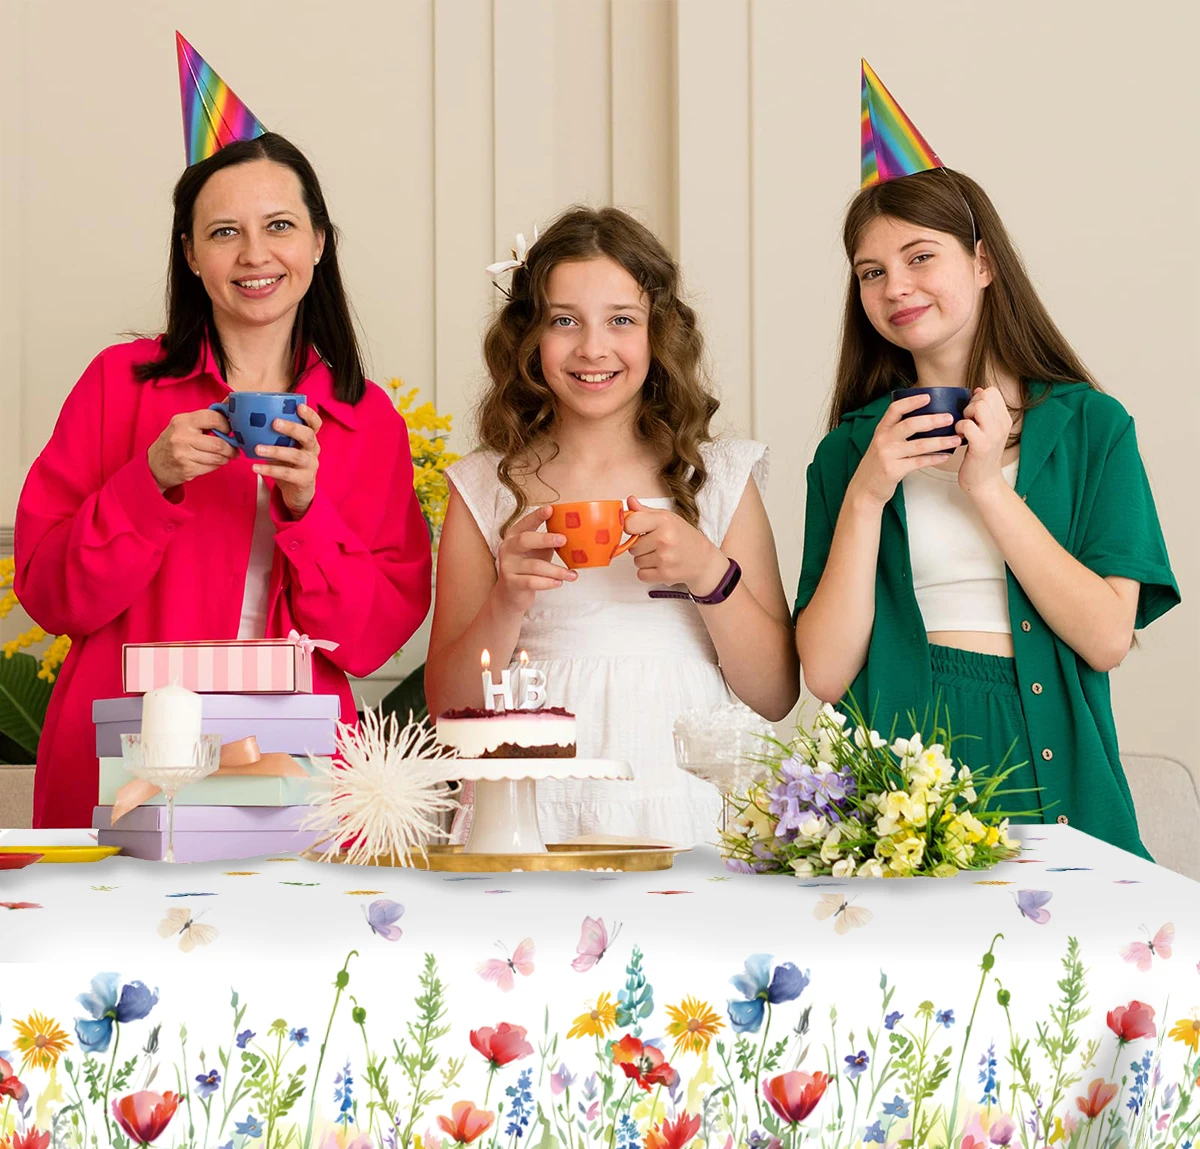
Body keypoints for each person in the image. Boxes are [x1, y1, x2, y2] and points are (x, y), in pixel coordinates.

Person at [14, 41, 430, 826]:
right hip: (122, 749)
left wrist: (307, 508)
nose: (254, 255)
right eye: (223, 233)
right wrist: (151, 479)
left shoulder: (363, 418)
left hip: (296, 759)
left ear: (318, 243)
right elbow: (49, 594)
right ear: (191, 256)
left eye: (279, 225)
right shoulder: (119, 384)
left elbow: (371, 641)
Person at [793, 63, 1179, 856]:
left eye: (919, 257)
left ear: (983, 262)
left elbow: (1107, 637)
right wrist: (867, 494)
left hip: (1052, 756)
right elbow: (826, 676)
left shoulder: (1090, 427)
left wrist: (990, 494)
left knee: (1080, 977)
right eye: (872, 272)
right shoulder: (848, 453)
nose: (894, 285)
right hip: (897, 771)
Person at [425, 206, 798, 846]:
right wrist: (507, 599)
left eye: (621, 321)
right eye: (563, 321)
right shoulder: (485, 486)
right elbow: (445, 711)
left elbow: (774, 695)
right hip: (530, 805)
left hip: (685, 798)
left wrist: (710, 574)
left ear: (659, 335)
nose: (592, 347)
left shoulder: (718, 478)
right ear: (528, 339)